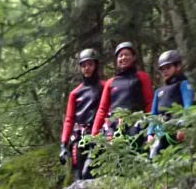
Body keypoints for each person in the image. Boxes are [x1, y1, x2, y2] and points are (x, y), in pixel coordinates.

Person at [91, 42, 154, 140]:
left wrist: (151, 128)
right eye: (120, 56)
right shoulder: (110, 82)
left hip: (137, 124)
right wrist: (94, 133)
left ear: (133, 57)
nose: (123, 58)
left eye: (127, 55)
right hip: (113, 126)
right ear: (116, 60)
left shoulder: (142, 77)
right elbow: (102, 109)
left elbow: (149, 102)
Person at [59, 48, 102, 179]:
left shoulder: (105, 87)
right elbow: (69, 119)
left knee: (91, 172)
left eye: (90, 64)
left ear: (96, 65)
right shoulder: (75, 93)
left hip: (98, 135)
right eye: (83, 65)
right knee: (78, 174)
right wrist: (63, 144)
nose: (87, 68)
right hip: (78, 137)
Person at [148, 49, 194, 157]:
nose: (165, 71)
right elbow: (153, 114)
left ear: (178, 66)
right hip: (160, 132)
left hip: (177, 128)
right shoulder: (158, 92)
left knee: (180, 156)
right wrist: (150, 133)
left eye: (168, 67)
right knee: (155, 157)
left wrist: (184, 126)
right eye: (162, 69)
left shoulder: (183, 84)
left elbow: (188, 107)